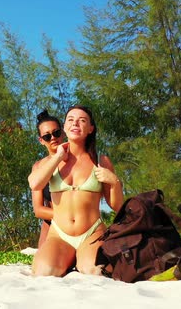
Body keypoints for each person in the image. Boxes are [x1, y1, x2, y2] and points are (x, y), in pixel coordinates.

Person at [28, 105, 123, 276]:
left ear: (90, 128)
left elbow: (117, 206)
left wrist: (115, 183)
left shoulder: (101, 160)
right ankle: (69, 258)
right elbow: (34, 184)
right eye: (70, 120)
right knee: (44, 271)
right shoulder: (48, 163)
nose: (75, 123)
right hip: (59, 235)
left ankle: (81, 258)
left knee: (95, 270)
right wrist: (58, 157)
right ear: (65, 127)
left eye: (82, 120)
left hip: (91, 232)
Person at [31, 110, 64, 248]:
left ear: (62, 133)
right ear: (41, 140)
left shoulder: (79, 159)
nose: (53, 138)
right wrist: (66, 217)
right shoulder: (38, 167)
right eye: (46, 136)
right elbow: (38, 209)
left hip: (81, 223)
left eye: (56, 133)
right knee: (44, 266)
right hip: (51, 221)